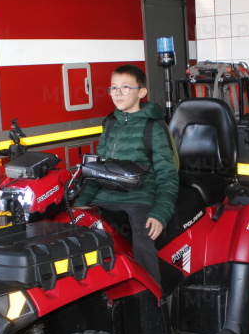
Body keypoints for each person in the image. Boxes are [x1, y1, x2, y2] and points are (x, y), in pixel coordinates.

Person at [75, 64, 178, 283]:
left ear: (141, 92)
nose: (117, 93)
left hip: (138, 198)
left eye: (125, 87)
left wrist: (160, 213)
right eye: (113, 88)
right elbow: (97, 170)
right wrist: (82, 201)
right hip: (104, 197)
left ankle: (152, 297)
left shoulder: (153, 127)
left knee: (143, 241)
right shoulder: (110, 124)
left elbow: (167, 175)